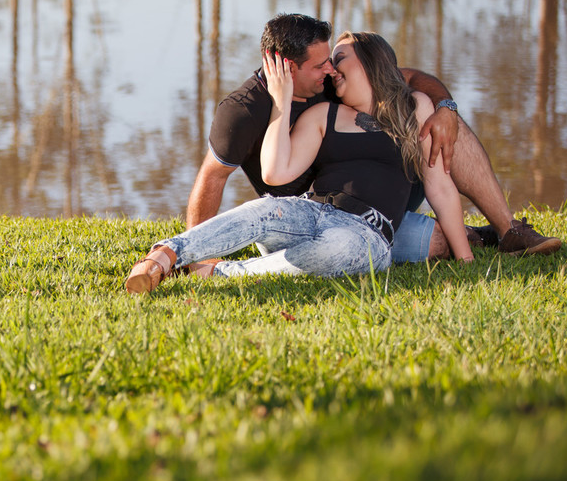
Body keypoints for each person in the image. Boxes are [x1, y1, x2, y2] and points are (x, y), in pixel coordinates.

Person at [184, 14, 560, 261]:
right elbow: (212, 177)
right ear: (283, 65)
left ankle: (509, 231)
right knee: (435, 244)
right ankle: (472, 234)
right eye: (321, 65)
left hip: (386, 185)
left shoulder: (330, 82)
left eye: (334, 61)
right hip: (318, 209)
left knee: (443, 126)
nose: (329, 70)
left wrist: (445, 106)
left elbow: (403, 78)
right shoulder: (243, 111)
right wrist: (201, 256)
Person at [125, 31, 471, 293]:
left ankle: (219, 273)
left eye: (340, 57)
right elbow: (275, 174)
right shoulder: (325, 114)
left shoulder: (415, 108)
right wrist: (281, 100)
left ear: (370, 61)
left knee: (341, 249)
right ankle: (165, 255)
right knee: (263, 211)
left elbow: (440, 188)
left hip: (367, 234)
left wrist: (466, 262)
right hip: (310, 212)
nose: (332, 68)